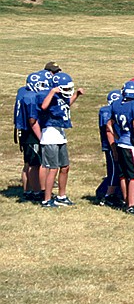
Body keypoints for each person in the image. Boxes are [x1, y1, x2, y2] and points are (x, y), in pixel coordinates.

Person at [35, 72, 84, 208]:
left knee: (65, 166)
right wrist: (51, 92)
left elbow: (66, 105)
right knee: (52, 168)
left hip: (60, 134)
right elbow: (43, 107)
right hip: (50, 135)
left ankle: (61, 196)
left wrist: (76, 95)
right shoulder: (46, 95)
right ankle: (47, 199)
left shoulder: (61, 97)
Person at [108, 81, 134, 215]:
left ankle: (126, 200)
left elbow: (109, 123)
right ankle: (131, 205)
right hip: (130, 144)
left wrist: (117, 136)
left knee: (123, 175)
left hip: (121, 142)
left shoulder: (117, 104)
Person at [15, 71, 51, 201]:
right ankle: (37, 191)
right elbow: (32, 121)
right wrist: (42, 138)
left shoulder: (23, 92)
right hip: (31, 133)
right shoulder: (31, 98)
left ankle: (28, 190)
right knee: (36, 163)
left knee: (29, 163)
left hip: (25, 132)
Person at [99, 90, 125, 208]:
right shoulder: (107, 111)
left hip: (113, 145)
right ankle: (109, 195)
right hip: (111, 146)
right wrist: (114, 148)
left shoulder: (108, 110)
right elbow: (108, 130)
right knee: (114, 171)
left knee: (115, 171)